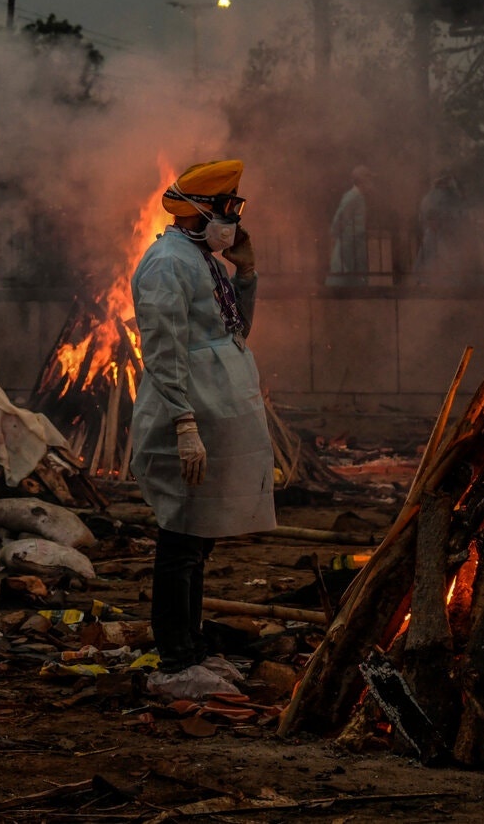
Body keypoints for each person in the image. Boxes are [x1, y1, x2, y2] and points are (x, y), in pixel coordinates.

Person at [130, 159, 278, 672]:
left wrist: (248, 272)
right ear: (198, 211)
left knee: (199, 540)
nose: (231, 219)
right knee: (181, 539)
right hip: (187, 416)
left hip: (215, 412)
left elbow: (234, 331)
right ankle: (176, 652)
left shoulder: (203, 258)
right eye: (225, 208)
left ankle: (189, 645)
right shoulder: (167, 262)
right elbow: (163, 348)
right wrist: (183, 423)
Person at [326, 166, 373, 286]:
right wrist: (335, 232)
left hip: (353, 242)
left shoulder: (357, 197)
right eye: (369, 179)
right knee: (345, 273)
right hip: (349, 242)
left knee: (351, 272)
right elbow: (340, 218)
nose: (371, 183)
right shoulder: (353, 197)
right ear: (362, 181)